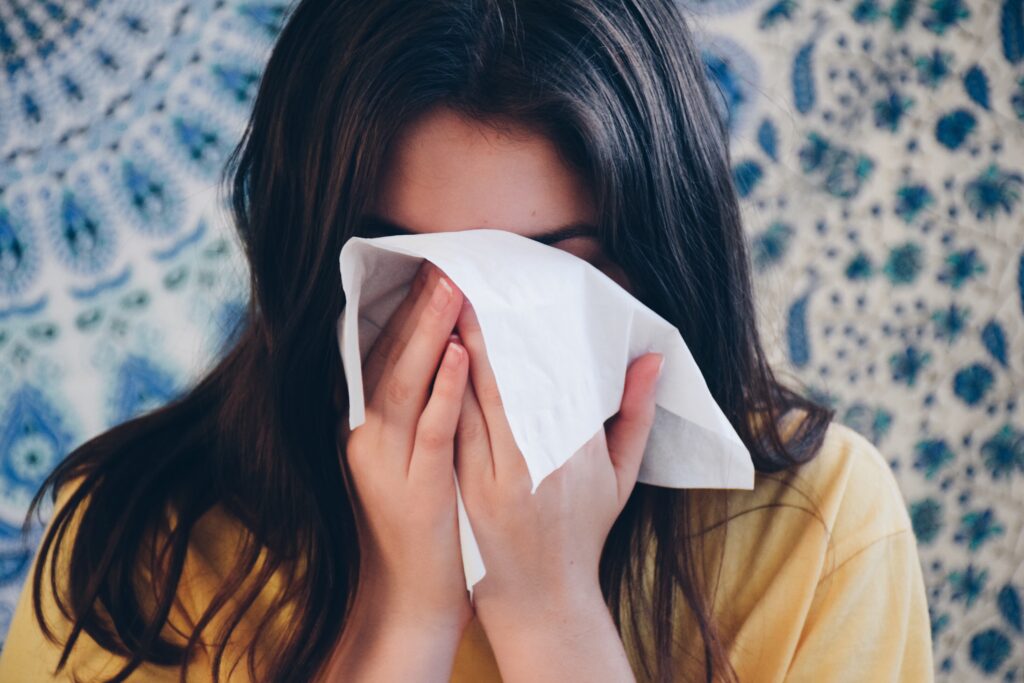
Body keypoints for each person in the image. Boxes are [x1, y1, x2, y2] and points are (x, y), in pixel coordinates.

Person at [0, 0, 934, 681]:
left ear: (661, 261)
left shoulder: (817, 530)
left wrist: (549, 611)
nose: (466, 337)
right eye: (405, 270)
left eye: (546, 272)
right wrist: (403, 615)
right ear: (307, 258)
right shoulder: (137, 553)